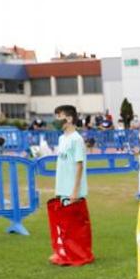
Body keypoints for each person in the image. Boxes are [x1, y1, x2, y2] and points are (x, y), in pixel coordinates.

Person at [51, 105, 90, 263]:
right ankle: (64, 253)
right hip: (62, 187)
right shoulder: (62, 138)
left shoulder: (76, 139)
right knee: (63, 224)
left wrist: (75, 190)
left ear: (68, 119)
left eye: (58, 116)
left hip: (73, 189)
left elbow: (79, 165)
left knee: (74, 225)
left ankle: (77, 254)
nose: (55, 120)